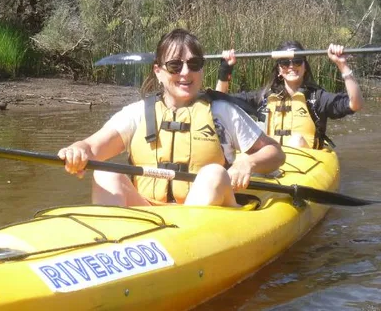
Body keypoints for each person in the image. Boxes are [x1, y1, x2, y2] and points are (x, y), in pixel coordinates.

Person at [58, 29, 285, 208]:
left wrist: (247, 162)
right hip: (149, 212)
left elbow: (275, 153)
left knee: (213, 173)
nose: (185, 73)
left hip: (208, 216)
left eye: (194, 64)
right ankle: (111, 248)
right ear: (158, 71)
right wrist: (78, 150)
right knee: (105, 173)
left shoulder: (221, 111)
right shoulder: (137, 113)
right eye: (175, 66)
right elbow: (92, 146)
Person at [216, 41, 364, 149]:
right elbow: (219, 100)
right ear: (279, 69)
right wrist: (225, 69)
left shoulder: (317, 98)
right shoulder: (264, 98)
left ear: (305, 67)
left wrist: (342, 64)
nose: (292, 66)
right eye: (285, 63)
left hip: (306, 162)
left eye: (297, 62)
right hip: (271, 158)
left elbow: (355, 104)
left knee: (296, 140)